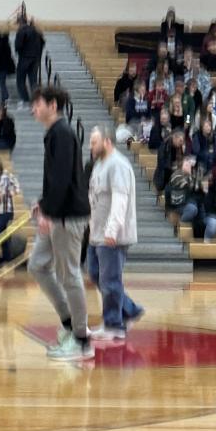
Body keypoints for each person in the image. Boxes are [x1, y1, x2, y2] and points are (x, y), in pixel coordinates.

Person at [28, 84, 92, 360]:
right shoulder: (54, 133)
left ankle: (81, 340)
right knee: (37, 265)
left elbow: (64, 180)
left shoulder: (63, 133)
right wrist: (43, 203)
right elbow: (55, 179)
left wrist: (48, 213)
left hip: (68, 217)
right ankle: (68, 321)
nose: (33, 109)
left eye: (38, 104)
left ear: (53, 105)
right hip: (56, 212)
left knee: (70, 276)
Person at [85, 126, 144, 342]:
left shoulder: (117, 164)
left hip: (112, 235)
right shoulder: (99, 165)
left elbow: (120, 199)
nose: (90, 146)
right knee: (95, 273)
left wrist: (112, 230)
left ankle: (114, 325)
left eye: (94, 142)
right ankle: (130, 310)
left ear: (107, 142)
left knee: (109, 280)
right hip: (97, 233)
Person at [14, 13, 45, 109]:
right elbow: (42, 42)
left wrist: (19, 51)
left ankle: (25, 100)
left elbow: (18, 45)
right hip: (35, 59)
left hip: (24, 58)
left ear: (19, 22)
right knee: (33, 81)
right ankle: (36, 101)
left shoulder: (21, 31)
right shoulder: (36, 31)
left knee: (20, 80)